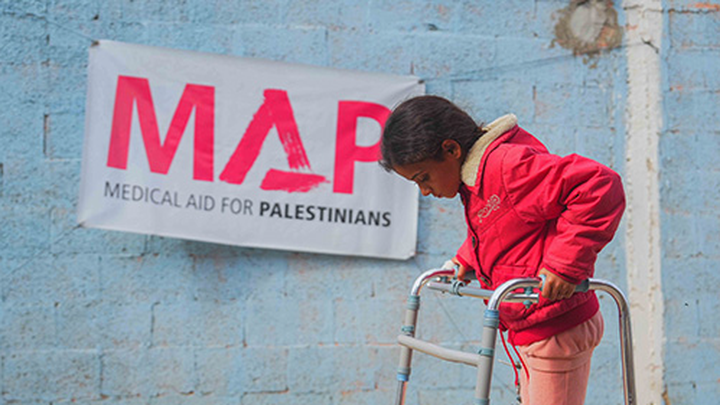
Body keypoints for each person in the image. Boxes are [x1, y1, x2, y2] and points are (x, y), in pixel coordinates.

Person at [380, 95, 625, 405]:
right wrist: (467, 257)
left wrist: (564, 265)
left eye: (423, 178)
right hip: (532, 326)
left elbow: (599, 186)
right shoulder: (477, 179)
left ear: (451, 150)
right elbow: (502, 227)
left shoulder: (506, 166)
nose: (425, 191)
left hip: (555, 326)